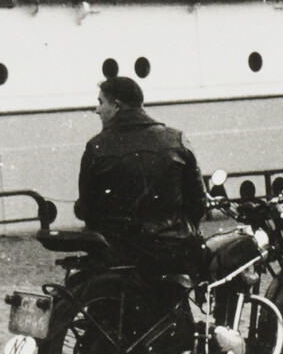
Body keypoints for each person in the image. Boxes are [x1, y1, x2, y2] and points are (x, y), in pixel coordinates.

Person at [74, 76, 208, 269]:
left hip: (119, 253)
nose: (97, 110)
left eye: (101, 102)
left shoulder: (97, 146)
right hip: (172, 250)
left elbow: (88, 208)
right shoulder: (176, 139)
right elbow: (197, 201)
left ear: (117, 106)